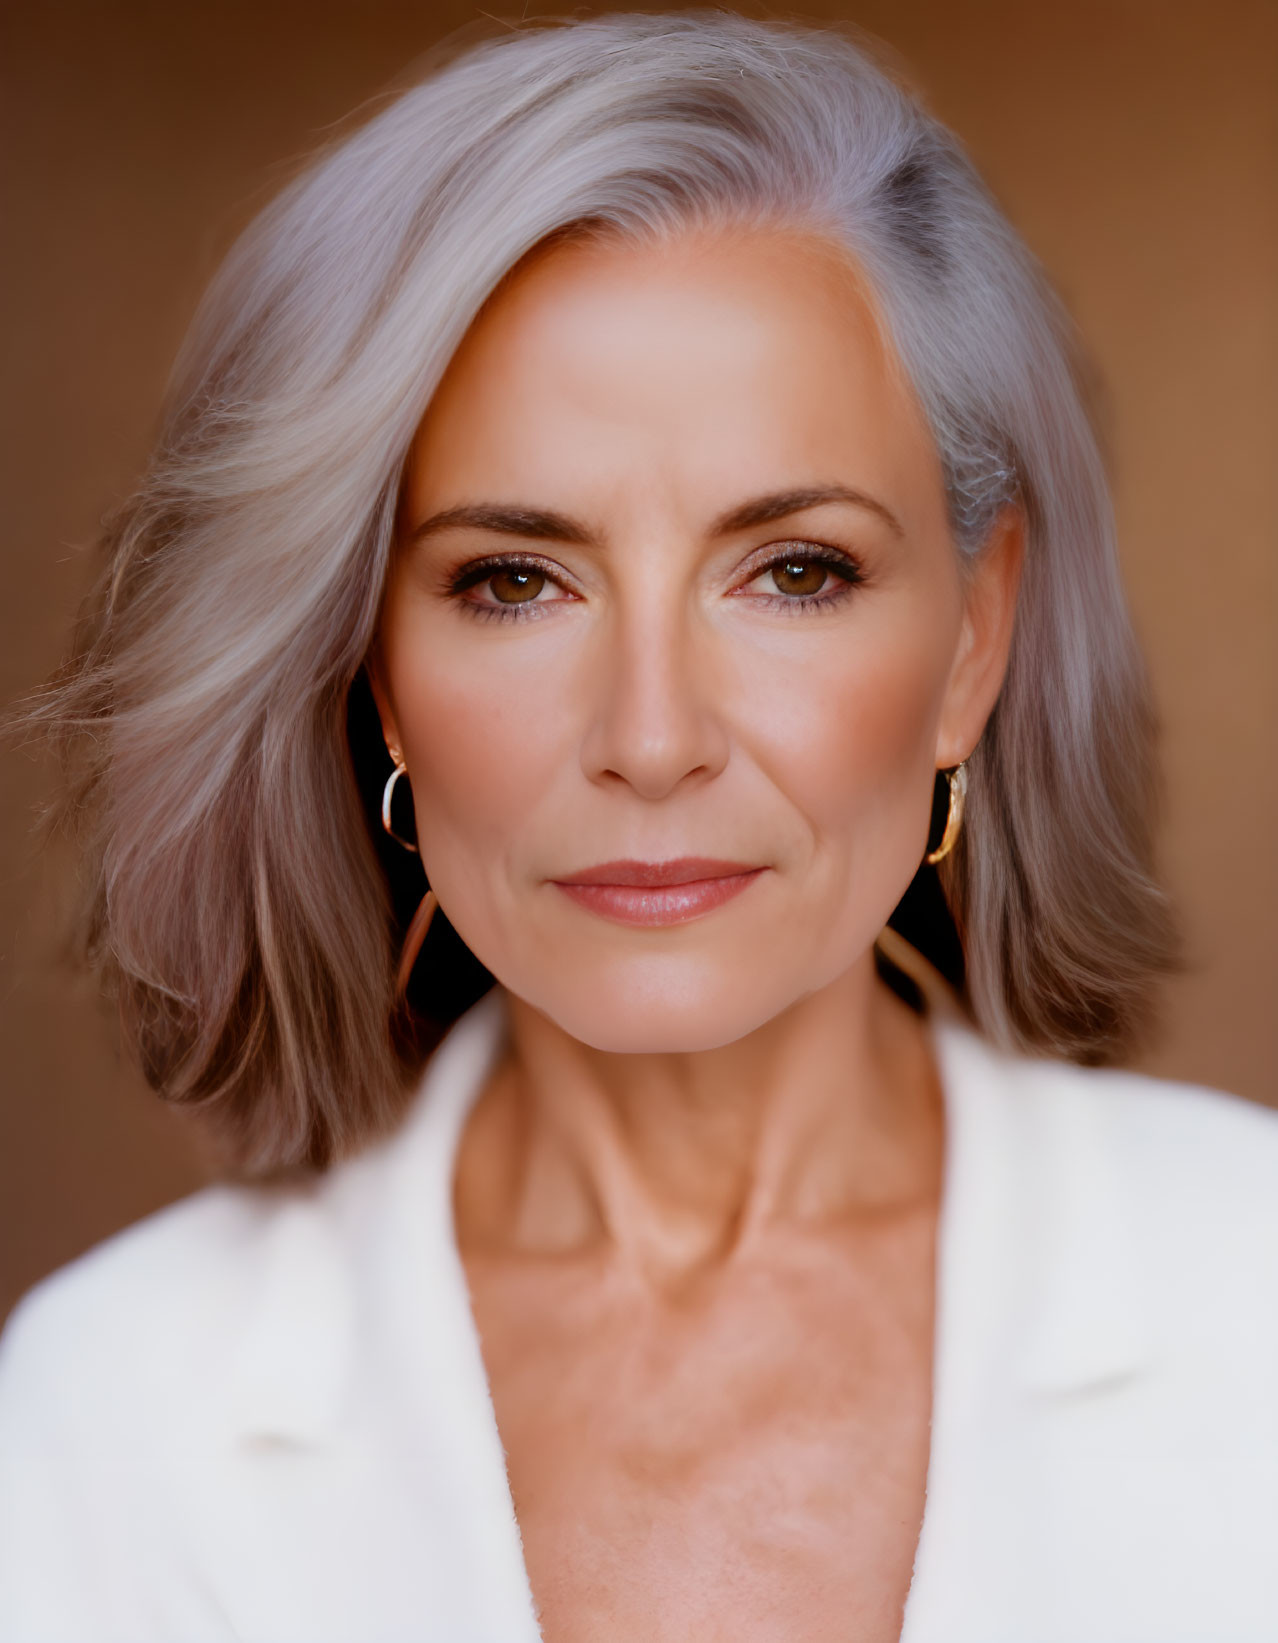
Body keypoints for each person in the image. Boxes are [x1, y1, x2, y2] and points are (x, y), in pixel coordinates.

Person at [1, 9, 1275, 1641]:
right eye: (511, 581)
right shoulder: (116, 1416)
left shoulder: (1256, 1304)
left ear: (972, 640)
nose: (652, 739)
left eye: (793, 570)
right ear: (373, 674)